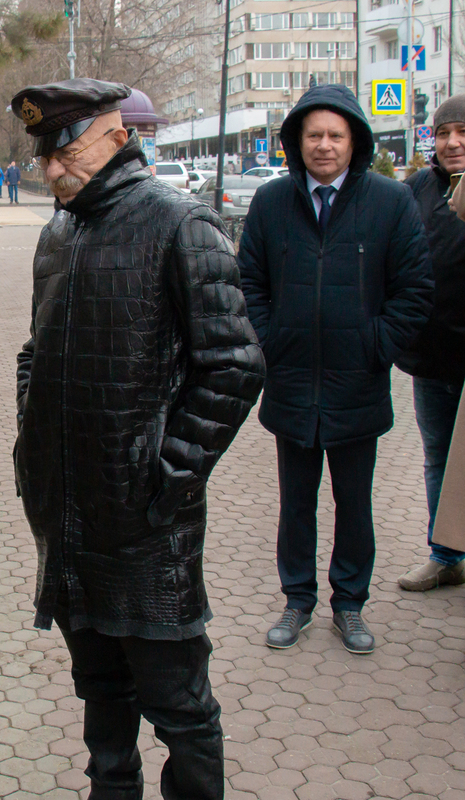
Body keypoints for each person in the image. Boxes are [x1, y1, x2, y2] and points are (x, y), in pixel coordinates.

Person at [12, 79, 264, 800]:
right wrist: (31, 441)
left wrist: (169, 472)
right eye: (43, 154)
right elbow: (36, 350)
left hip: (149, 529)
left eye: (65, 149)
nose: (51, 168)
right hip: (69, 519)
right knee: (100, 693)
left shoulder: (180, 222)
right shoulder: (58, 231)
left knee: (180, 709)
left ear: (117, 136)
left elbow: (235, 364)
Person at [238, 84, 433, 654]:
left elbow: (415, 290)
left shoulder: (389, 203)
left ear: (355, 142)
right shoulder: (273, 203)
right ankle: (297, 600)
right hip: (293, 381)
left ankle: (349, 604)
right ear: (297, 142)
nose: (324, 146)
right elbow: (248, 282)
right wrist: (272, 342)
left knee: (355, 503)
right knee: (296, 503)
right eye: (314, 135)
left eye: (335, 135)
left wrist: (376, 345)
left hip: (358, 383)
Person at [396, 93, 465, 591]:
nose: (452, 142)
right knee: (438, 455)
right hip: (433, 357)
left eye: (462, 132)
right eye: (443, 133)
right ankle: (445, 555)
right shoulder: (417, 188)